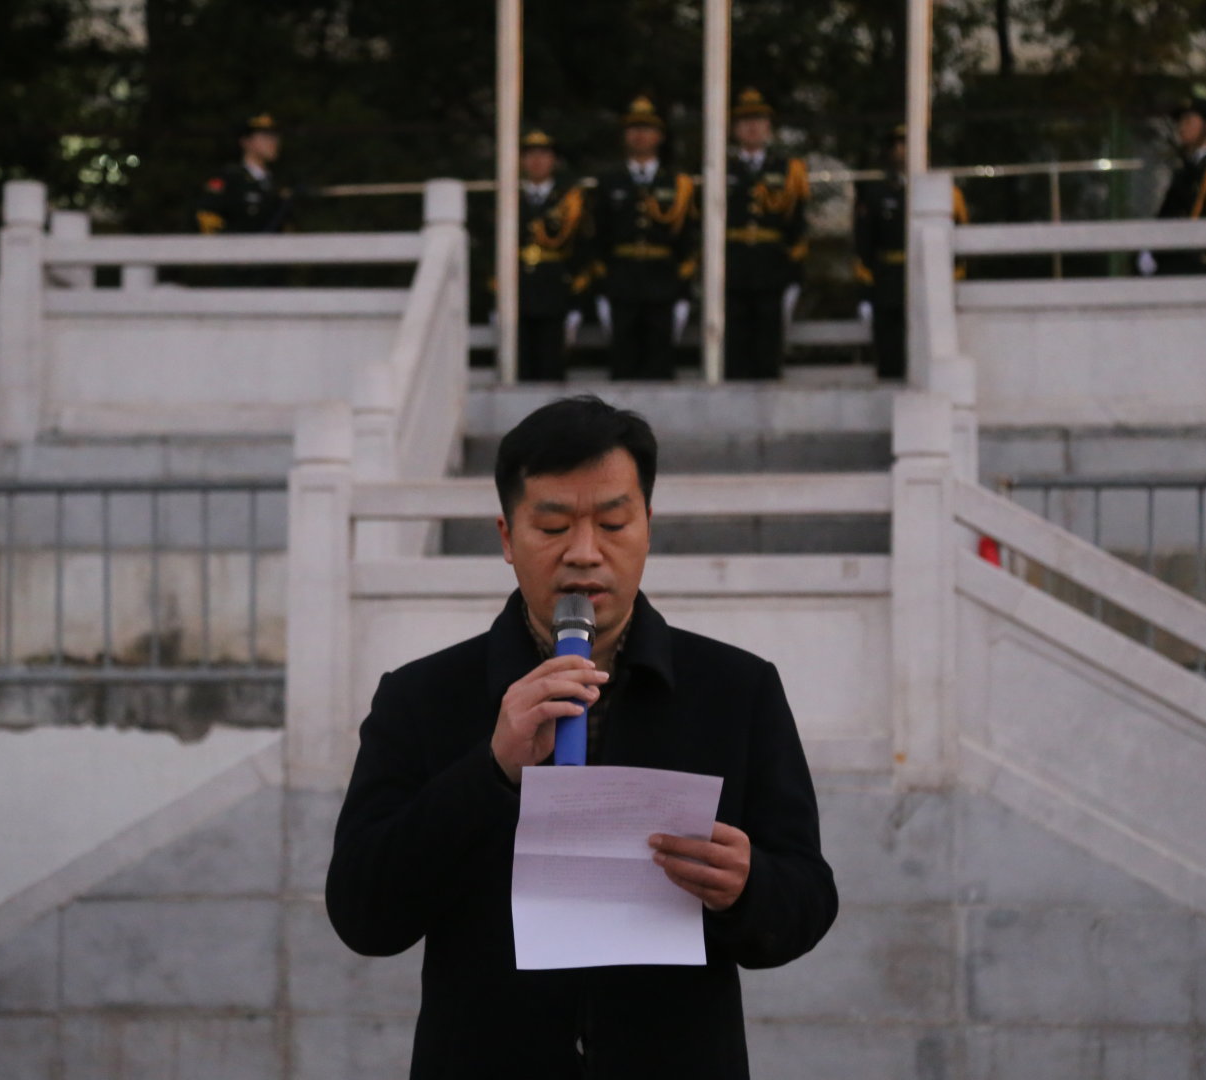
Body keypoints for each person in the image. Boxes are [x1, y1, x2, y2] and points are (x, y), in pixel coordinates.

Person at [327, 395, 838, 1079]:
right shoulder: (422, 697)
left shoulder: (736, 690)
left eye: (614, 523)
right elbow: (362, 915)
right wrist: (489, 772)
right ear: (507, 538)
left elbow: (808, 900)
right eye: (552, 526)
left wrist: (748, 887)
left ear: (648, 527)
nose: (585, 553)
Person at [589, 98, 697, 380]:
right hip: (621, 278)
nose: (640, 135)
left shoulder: (677, 183)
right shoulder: (609, 182)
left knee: (660, 356)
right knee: (622, 356)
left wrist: (682, 282)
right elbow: (597, 235)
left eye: (647, 129)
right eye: (634, 129)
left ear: (660, 136)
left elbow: (688, 237)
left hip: (663, 279)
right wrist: (603, 280)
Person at [852, 124, 967, 381]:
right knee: (890, 356)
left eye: (909, 144)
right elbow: (864, 245)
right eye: (900, 144)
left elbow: (958, 243)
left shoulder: (947, 193)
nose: (904, 150)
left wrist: (953, 283)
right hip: (889, 282)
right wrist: (866, 292)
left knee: (928, 359)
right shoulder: (875, 193)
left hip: (929, 282)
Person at [724, 88, 810, 381]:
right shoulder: (722, 168)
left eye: (758, 120)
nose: (752, 127)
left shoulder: (788, 169)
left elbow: (797, 224)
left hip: (771, 267)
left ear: (768, 127)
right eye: (744, 121)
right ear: (734, 129)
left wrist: (794, 272)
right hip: (733, 266)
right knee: (734, 345)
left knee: (768, 343)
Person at [1139, 97, 1206, 276]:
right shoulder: (1186, 169)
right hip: (1176, 260)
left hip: (1198, 265)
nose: (1182, 127)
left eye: (1189, 120)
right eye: (1181, 121)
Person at [514, 130, 588, 381]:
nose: (536, 161)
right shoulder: (509, 195)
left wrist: (577, 300)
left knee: (552, 364)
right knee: (519, 365)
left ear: (554, 161)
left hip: (555, 289)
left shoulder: (569, 198)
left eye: (543, 155)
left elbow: (581, 248)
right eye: (530, 155)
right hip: (518, 288)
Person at [195, 113, 293, 236]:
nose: (273, 142)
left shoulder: (278, 183)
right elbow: (207, 217)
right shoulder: (229, 179)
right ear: (246, 142)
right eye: (265, 137)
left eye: (275, 137)